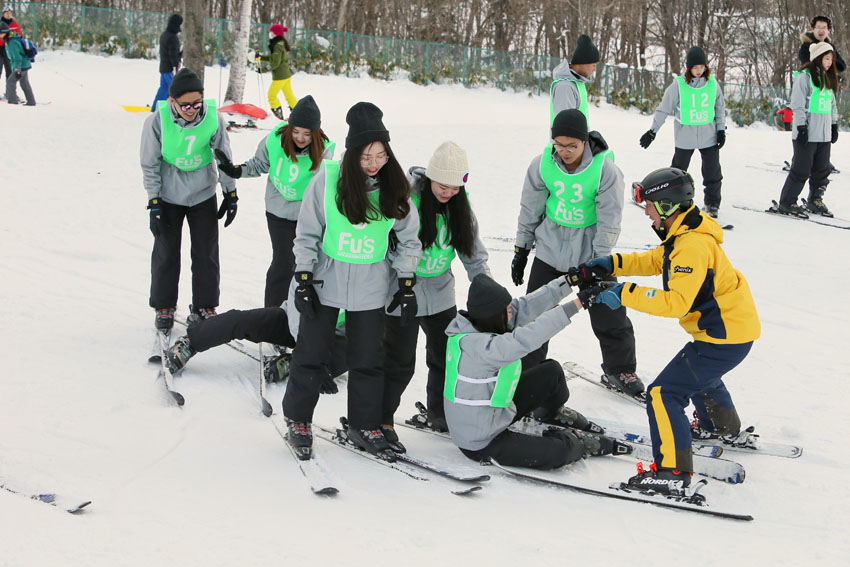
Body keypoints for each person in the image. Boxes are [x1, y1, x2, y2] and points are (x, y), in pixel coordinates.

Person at [581, 167, 760, 494]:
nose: (645, 210)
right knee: (697, 374)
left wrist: (624, 293)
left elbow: (676, 303)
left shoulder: (691, 245)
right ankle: (720, 427)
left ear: (666, 205)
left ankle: (671, 472)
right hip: (730, 333)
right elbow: (654, 261)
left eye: (648, 204)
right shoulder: (685, 233)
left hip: (725, 337)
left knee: (664, 394)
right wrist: (613, 264)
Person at [281, 102, 421, 460]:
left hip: (370, 286)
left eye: (380, 155)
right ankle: (298, 420)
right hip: (325, 281)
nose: (374, 164)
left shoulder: (395, 189)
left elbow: (409, 238)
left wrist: (406, 283)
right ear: (350, 155)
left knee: (368, 359)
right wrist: (303, 276)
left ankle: (363, 423)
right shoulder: (328, 179)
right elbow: (307, 231)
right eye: (365, 157)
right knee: (310, 354)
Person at [512, 109, 642, 397]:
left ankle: (619, 368)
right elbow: (530, 207)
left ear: (585, 142)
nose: (565, 151)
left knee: (609, 308)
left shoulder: (604, 169)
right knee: (535, 313)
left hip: (589, 249)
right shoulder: (542, 164)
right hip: (550, 245)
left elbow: (610, 217)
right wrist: (522, 248)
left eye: (572, 145)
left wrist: (601, 259)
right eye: (559, 144)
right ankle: (529, 368)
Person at [443, 274, 619, 470]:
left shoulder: (478, 323)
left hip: (497, 412)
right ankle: (575, 442)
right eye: (507, 311)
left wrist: (569, 281)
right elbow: (527, 337)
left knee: (552, 372)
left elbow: (526, 306)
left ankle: (549, 413)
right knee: (560, 452)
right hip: (481, 440)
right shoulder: (480, 348)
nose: (512, 315)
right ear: (494, 315)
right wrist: (579, 303)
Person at [380, 141, 491, 448]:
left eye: (456, 188)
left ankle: (439, 413)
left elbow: (474, 257)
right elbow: (389, 250)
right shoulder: (407, 204)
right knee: (400, 361)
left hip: (441, 293)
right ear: (430, 179)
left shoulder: (460, 210)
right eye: (443, 186)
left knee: (445, 357)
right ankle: (381, 419)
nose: (448, 193)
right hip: (402, 292)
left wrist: (488, 289)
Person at [140, 68, 238, 331]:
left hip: (202, 192)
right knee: (166, 251)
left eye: (197, 103)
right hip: (170, 194)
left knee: (206, 252)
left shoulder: (213, 119)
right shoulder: (156, 121)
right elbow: (149, 164)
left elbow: (224, 158)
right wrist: (154, 201)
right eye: (185, 105)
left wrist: (230, 193)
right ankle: (164, 305)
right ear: (172, 102)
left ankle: (205, 305)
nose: (192, 109)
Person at [214, 95, 335, 307]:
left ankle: (304, 313)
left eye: (306, 134)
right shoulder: (275, 139)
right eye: (296, 131)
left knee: (309, 264)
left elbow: (325, 187)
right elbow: (259, 164)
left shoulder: (323, 149)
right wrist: (236, 171)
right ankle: (272, 313)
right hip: (278, 211)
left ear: (315, 133)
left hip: (308, 216)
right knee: (283, 262)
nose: (300, 138)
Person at [164, 280, 345, 391]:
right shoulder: (317, 261)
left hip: (331, 340)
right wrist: (309, 350)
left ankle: (291, 363)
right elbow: (296, 308)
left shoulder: (367, 278)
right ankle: (191, 342)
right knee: (242, 320)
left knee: (354, 348)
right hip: (298, 323)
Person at [639, 46, 727, 218]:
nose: (699, 70)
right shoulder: (678, 85)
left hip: (708, 137)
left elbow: (719, 108)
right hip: (685, 137)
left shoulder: (712, 84)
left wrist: (721, 130)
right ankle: (671, 200)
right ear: (688, 68)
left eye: (702, 67)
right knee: (678, 172)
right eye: (695, 67)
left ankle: (712, 203)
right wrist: (652, 131)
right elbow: (664, 109)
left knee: (713, 173)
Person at [773, 42, 839, 219]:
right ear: (818, 58)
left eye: (831, 59)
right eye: (826, 58)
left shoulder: (828, 77)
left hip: (823, 135)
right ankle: (787, 201)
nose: (829, 62)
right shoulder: (804, 77)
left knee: (822, 169)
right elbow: (798, 104)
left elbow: (832, 104)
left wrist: (834, 124)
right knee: (801, 169)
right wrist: (801, 126)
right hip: (807, 134)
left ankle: (815, 199)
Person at [550, 34, 599, 124]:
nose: (595, 69)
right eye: (593, 65)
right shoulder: (565, 87)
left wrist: (588, 137)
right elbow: (565, 127)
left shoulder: (577, 84)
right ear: (582, 62)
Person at [261, 24, 296, 120]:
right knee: (289, 96)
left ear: (275, 33)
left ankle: (278, 116)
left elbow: (275, 63)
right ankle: (298, 114)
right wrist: (260, 57)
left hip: (281, 75)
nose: (270, 33)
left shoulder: (277, 45)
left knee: (271, 95)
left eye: (271, 31)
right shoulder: (279, 43)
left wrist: (263, 70)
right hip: (285, 74)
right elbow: (273, 58)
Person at [151, 13, 182, 111]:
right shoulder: (173, 37)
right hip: (169, 69)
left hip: (164, 67)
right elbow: (172, 54)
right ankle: (178, 109)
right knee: (174, 90)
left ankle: (154, 109)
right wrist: (175, 65)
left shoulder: (165, 35)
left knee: (163, 90)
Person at [2, 21, 34, 106]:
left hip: (21, 66)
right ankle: (31, 101)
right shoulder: (12, 39)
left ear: (4, 33)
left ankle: (12, 102)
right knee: (24, 83)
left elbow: (17, 58)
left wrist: (18, 70)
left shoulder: (11, 43)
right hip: (24, 65)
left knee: (10, 82)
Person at [0, 6, 22, 91]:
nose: (9, 15)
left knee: (10, 71)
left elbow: (18, 35)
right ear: (3, 14)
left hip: (9, 49)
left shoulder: (14, 24)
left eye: (10, 13)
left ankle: (10, 93)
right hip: (0, 48)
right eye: (7, 13)